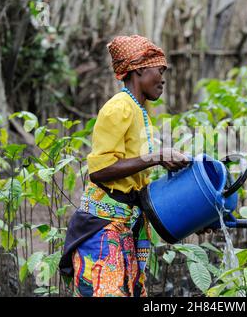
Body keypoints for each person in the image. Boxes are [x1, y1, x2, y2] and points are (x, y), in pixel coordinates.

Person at [58, 35, 190, 297]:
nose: (163, 79)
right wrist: (156, 157)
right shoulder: (118, 107)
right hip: (102, 227)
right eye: (159, 70)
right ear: (140, 69)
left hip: (125, 225)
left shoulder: (140, 112)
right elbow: (100, 170)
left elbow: (137, 177)